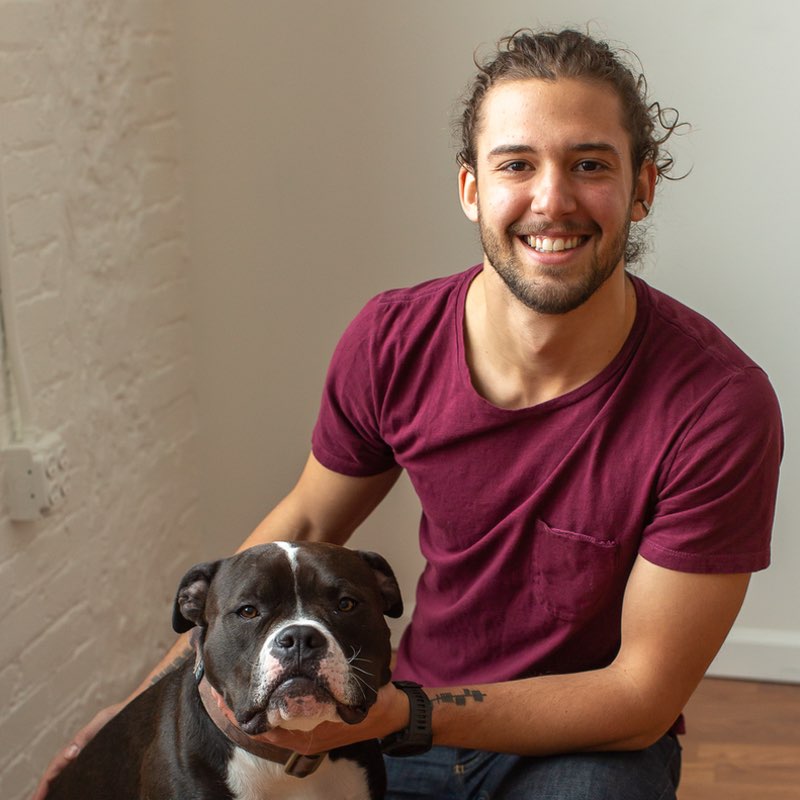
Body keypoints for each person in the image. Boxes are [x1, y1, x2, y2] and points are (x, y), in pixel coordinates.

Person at [35, 27, 782, 800]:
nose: (552, 199)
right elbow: (309, 522)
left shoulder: (717, 406)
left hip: (575, 740)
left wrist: (406, 713)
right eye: (516, 165)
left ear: (642, 187)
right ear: (471, 189)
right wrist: (133, 708)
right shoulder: (394, 340)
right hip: (402, 726)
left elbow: (640, 697)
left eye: (589, 164)